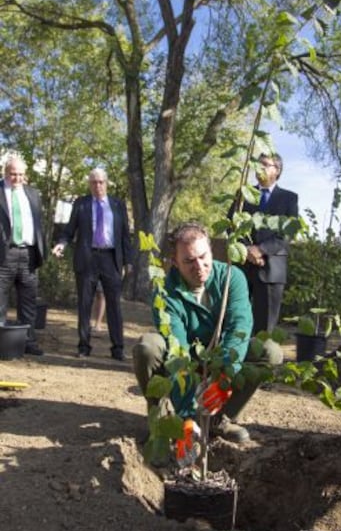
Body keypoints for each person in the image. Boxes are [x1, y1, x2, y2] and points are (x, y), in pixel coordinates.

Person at [132, 221, 283, 446]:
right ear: (174, 262)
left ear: (212, 251)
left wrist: (225, 374)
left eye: (204, 257)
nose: (200, 266)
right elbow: (178, 351)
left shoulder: (233, 278)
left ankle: (218, 420)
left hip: (220, 359)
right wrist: (185, 416)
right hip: (185, 361)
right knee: (148, 347)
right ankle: (163, 422)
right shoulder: (164, 291)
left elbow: (239, 328)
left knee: (270, 352)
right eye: (189, 261)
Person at [52, 168, 133, 360]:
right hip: (87, 258)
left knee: (114, 305)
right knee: (84, 304)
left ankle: (118, 348)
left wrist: (128, 261)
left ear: (106, 183)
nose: (98, 186)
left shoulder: (117, 205)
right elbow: (69, 230)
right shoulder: (81, 204)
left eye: (101, 182)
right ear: (89, 184)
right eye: (94, 182)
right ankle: (84, 346)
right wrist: (61, 244)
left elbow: (125, 237)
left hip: (111, 259)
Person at [229, 152, 298, 334]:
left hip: (271, 269)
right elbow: (231, 225)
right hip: (242, 266)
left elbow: (288, 233)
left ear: (277, 170)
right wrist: (247, 250)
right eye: (258, 164)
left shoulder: (289, 198)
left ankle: (260, 361)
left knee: (264, 328)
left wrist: (261, 250)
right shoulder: (243, 194)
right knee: (236, 318)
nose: (260, 168)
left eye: (265, 164)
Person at [0, 155, 46, 355]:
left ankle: (28, 342)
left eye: (20, 174)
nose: (16, 178)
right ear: (5, 173)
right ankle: (1, 342)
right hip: (4, 254)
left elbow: (38, 223)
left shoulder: (33, 194)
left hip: (28, 255)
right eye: (13, 174)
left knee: (28, 301)